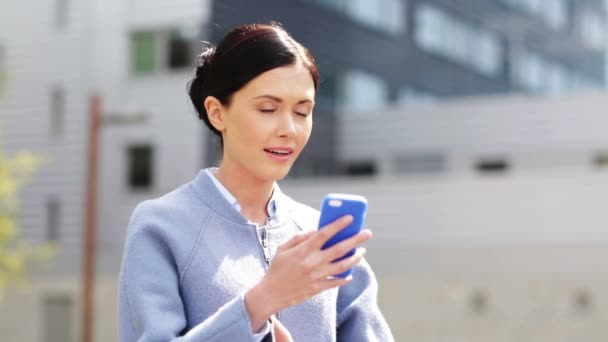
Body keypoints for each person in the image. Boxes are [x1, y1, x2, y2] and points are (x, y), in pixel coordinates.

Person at [117, 22, 394, 342]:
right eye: (267, 108)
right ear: (217, 113)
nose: (289, 129)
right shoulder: (161, 225)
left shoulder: (320, 236)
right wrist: (262, 301)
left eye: (303, 112)